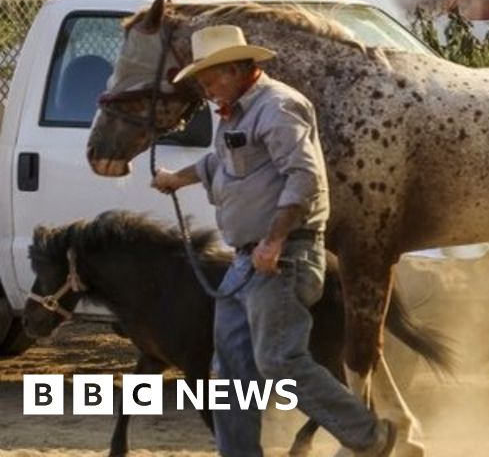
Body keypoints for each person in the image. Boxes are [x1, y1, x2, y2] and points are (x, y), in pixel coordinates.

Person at [151, 24, 396, 457]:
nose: (205, 90)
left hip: (282, 258)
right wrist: (178, 179)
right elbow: (220, 161)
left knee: (278, 360)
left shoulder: (279, 106)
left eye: (209, 78)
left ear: (235, 69)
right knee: (229, 371)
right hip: (248, 262)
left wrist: (274, 241)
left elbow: (304, 177)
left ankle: (369, 435)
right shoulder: (237, 112)